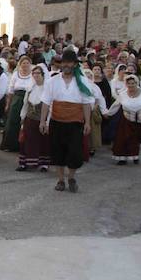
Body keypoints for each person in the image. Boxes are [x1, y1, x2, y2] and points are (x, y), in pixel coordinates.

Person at [40, 50, 95, 193]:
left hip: (75, 122)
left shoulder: (82, 81)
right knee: (58, 152)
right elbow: (46, 102)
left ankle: (71, 177)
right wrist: (43, 122)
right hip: (57, 121)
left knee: (74, 152)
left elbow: (86, 103)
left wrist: (87, 122)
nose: (66, 65)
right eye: (64, 62)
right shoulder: (52, 81)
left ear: (75, 64)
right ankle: (60, 179)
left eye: (69, 62)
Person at [103, 75, 141, 165]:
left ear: (136, 83)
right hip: (126, 120)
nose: (131, 85)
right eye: (129, 83)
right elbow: (116, 105)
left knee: (135, 140)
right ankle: (122, 158)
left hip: (140, 120)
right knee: (122, 139)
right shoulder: (123, 94)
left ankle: (135, 156)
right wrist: (108, 113)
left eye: (132, 83)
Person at [17, 65, 50, 172]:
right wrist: (22, 117)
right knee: (26, 141)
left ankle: (43, 164)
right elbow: (25, 104)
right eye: (34, 73)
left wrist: (47, 122)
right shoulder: (30, 88)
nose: (35, 75)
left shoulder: (47, 90)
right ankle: (24, 163)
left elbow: (51, 107)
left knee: (43, 142)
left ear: (43, 75)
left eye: (38, 73)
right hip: (30, 119)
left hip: (41, 120)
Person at [1, 55, 33, 152]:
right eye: (23, 63)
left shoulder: (32, 75)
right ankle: (10, 145)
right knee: (12, 121)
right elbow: (11, 90)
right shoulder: (16, 74)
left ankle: (23, 145)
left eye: (27, 63)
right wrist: (8, 103)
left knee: (25, 122)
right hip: (16, 99)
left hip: (28, 99)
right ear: (20, 64)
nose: (25, 65)